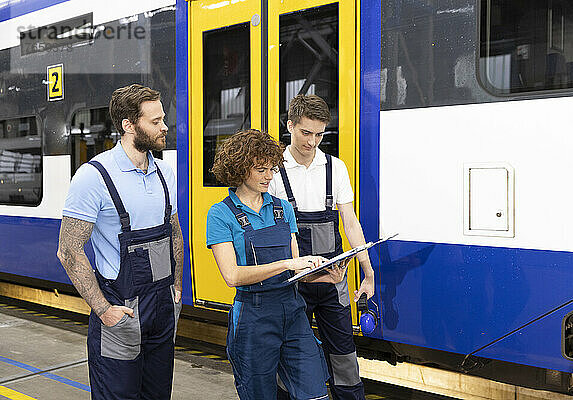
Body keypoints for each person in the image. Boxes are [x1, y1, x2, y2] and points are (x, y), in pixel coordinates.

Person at [56, 84, 183, 399]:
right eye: (155, 122)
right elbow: (69, 251)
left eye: (162, 119)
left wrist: (177, 289)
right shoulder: (93, 177)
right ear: (129, 125)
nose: (164, 126)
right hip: (120, 311)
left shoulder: (165, 173)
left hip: (164, 308)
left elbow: (174, 233)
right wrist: (103, 310)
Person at [206, 129, 330, 400]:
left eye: (272, 168)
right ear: (239, 170)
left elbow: (296, 270)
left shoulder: (282, 209)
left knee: (316, 393)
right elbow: (233, 276)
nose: (270, 176)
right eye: (261, 170)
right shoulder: (220, 214)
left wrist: (322, 274)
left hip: (293, 311)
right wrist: (286, 263)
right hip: (253, 317)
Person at [269, 94, 375, 400]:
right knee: (292, 359)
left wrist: (367, 273)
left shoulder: (335, 168)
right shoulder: (274, 172)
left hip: (334, 284)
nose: (312, 142)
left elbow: (351, 224)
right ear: (289, 125)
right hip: (292, 286)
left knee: (344, 358)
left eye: (319, 134)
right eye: (305, 133)